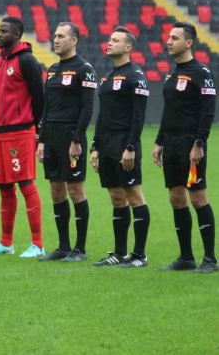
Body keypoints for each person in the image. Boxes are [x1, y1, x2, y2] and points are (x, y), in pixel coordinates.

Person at [153, 21, 217, 274]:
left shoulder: (202, 72)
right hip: (171, 143)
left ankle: (210, 259)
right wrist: (159, 141)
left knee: (198, 198)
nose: (168, 41)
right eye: (168, 37)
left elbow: (207, 111)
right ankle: (186, 257)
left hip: (191, 143)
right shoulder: (172, 74)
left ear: (188, 43)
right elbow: (168, 112)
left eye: (174, 38)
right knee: (176, 198)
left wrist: (199, 143)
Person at [0, 17, 45, 258]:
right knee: (4, 187)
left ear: (17, 35)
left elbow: (40, 97)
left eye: (4, 31)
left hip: (21, 132)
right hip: (0, 133)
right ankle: (6, 242)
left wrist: (38, 129)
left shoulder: (27, 61)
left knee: (26, 184)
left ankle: (38, 244)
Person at [90, 26, 151, 268]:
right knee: (116, 197)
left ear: (128, 47)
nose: (109, 43)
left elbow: (139, 117)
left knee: (134, 196)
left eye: (115, 40)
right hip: (106, 144)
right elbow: (102, 116)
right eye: (109, 39)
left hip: (125, 143)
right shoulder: (106, 77)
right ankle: (119, 253)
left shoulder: (136, 76)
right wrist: (95, 146)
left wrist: (131, 147)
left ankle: (140, 255)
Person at [37, 22, 97, 262]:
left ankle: (79, 249)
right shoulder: (52, 70)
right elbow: (47, 107)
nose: (56, 39)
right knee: (55, 189)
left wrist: (77, 139)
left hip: (71, 137)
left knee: (75, 189)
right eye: (54, 36)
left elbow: (88, 107)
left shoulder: (85, 69)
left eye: (61, 36)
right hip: (51, 137)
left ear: (74, 41)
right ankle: (62, 247)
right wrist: (41, 140)